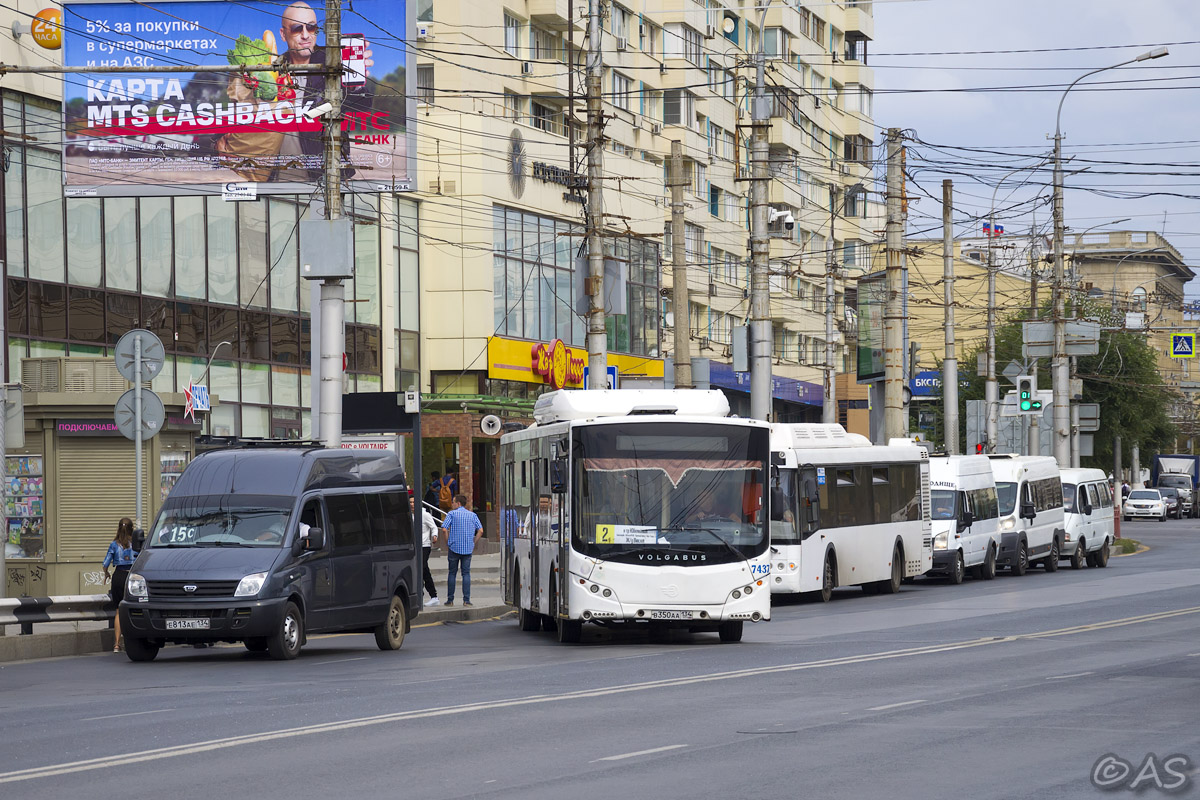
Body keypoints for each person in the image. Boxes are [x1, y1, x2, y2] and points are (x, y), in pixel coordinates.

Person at [273, 1, 374, 181]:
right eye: (297, 29)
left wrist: (356, 85)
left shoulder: (333, 62)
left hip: (327, 181)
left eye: (312, 28)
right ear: (283, 34)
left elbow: (362, 105)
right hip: (274, 180)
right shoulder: (271, 69)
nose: (306, 35)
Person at [440, 494, 483, 607]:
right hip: (468, 549)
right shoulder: (473, 515)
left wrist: (447, 542)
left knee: (452, 573)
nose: (452, 504)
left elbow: (444, 529)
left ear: (458, 503)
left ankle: (450, 600)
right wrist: (474, 542)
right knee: (466, 573)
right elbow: (481, 530)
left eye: (453, 502)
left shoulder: (452, 514)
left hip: (454, 547)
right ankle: (466, 600)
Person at [103, 518, 138, 653]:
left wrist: (106, 574)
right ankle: (132, 639)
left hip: (118, 576)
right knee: (133, 608)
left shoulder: (114, 545)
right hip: (132, 577)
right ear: (132, 529)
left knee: (118, 610)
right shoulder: (136, 545)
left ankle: (116, 644)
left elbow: (105, 564)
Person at [411, 494, 439, 606]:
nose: (412, 504)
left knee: (420, 569)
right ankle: (433, 596)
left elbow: (434, 526)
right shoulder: (409, 515)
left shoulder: (425, 515)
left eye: (414, 502)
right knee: (424, 571)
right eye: (410, 502)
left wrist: (435, 535)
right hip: (413, 546)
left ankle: (420, 596)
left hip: (424, 545)